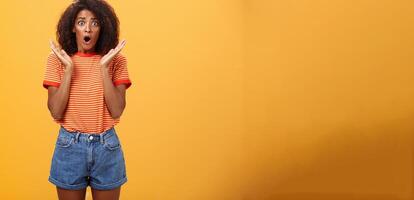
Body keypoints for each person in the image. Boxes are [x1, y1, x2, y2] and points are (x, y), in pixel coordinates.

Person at [42, 0, 131, 199]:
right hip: (69, 147)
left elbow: (116, 110)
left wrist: (104, 68)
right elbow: (56, 111)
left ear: (103, 28)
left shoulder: (116, 60)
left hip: (106, 147)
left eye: (95, 23)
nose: (88, 28)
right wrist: (69, 71)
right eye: (81, 22)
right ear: (73, 27)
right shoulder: (57, 59)